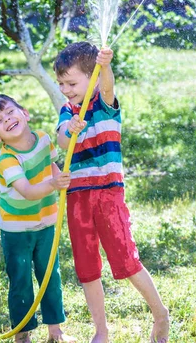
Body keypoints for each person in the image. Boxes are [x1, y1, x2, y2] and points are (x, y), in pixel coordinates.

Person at [54, 42, 170, 343]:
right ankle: (101, 331)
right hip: (78, 198)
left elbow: (107, 87)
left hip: (108, 194)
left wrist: (105, 66)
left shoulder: (104, 103)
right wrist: (70, 129)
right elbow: (62, 141)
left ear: (90, 77)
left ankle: (160, 314)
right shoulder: (67, 111)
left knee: (126, 260)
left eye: (72, 82)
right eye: (61, 84)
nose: (66, 89)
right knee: (87, 268)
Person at [0, 94, 76, 343]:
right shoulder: (7, 159)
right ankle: (22, 332)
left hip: (46, 223)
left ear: (25, 112)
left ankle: (56, 331)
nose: (8, 119)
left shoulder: (44, 139)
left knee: (50, 276)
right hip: (16, 229)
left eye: (11, 112)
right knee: (21, 279)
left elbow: (53, 164)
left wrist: (60, 179)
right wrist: (54, 184)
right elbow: (29, 192)